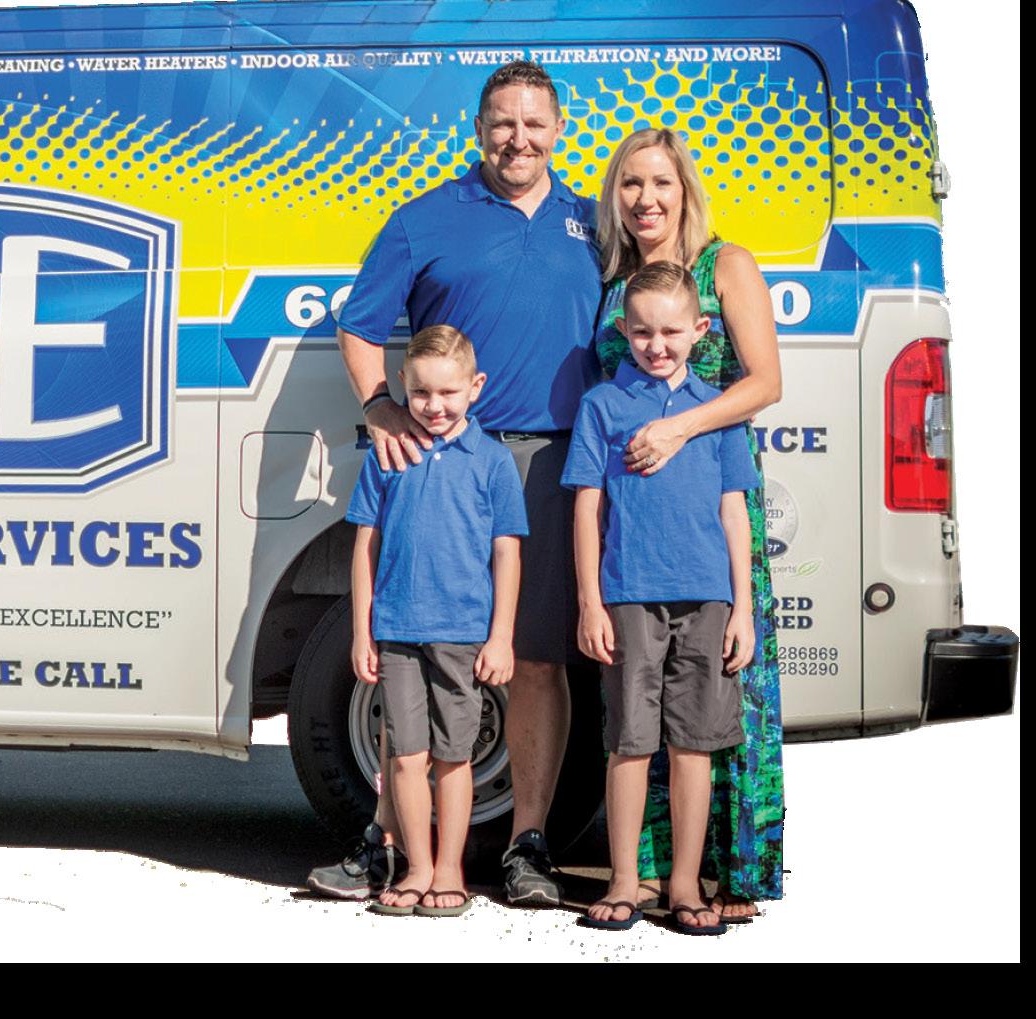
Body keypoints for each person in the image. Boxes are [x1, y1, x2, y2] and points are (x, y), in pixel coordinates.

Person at [307, 59, 602, 905]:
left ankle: (527, 845)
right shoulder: (424, 218)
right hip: (443, 463)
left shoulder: (592, 223)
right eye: (502, 123)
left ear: (558, 130)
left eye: (534, 123)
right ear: (478, 130)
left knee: (534, 659)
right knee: (406, 651)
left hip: (548, 465)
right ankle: (386, 843)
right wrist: (380, 407)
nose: (518, 138)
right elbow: (360, 326)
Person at [592, 127, 784, 921]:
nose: (645, 199)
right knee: (636, 714)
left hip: (710, 508)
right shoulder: (614, 283)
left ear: (684, 191)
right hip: (633, 530)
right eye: (630, 183)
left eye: (660, 182)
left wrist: (678, 427)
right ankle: (642, 874)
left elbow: (764, 382)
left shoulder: (723, 265)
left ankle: (722, 874)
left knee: (721, 697)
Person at [564, 262, 758, 935]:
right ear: (623, 330)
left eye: (671, 331)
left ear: (700, 330)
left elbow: (733, 513)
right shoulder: (602, 406)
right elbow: (586, 508)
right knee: (629, 742)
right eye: (643, 331)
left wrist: (742, 608)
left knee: (693, 747)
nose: (656, 345)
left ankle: (683, 883)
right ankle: (624, 880)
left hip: (707, 600)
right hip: (628, 597)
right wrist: (590, 601)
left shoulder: (716, 410)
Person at [347, 325, 527, 917]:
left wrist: (501, 635)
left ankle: (450, 869)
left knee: (454, 756)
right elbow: (365, 548)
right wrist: (362, 630)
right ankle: (417, 866)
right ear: (402, 383)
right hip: (397, 631)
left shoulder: (493, 461)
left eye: (449, 393)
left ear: (475, 387)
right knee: (404, 755)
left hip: (463, 634)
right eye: (422, 392)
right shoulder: (386, 455)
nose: (434, 405)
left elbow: (507, 554)